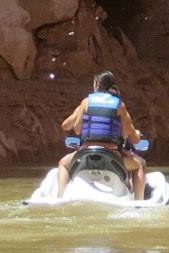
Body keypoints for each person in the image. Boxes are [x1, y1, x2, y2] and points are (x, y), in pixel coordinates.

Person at [57, 70, 147, 201]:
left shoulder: (86, 102)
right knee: (139, 165)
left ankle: (60, 198)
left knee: (63, 163)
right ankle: (139, 202)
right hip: (112, 155)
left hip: (85, 154)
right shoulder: (119, 105)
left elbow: (76, 130)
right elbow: (129, 135)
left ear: (96, 85)